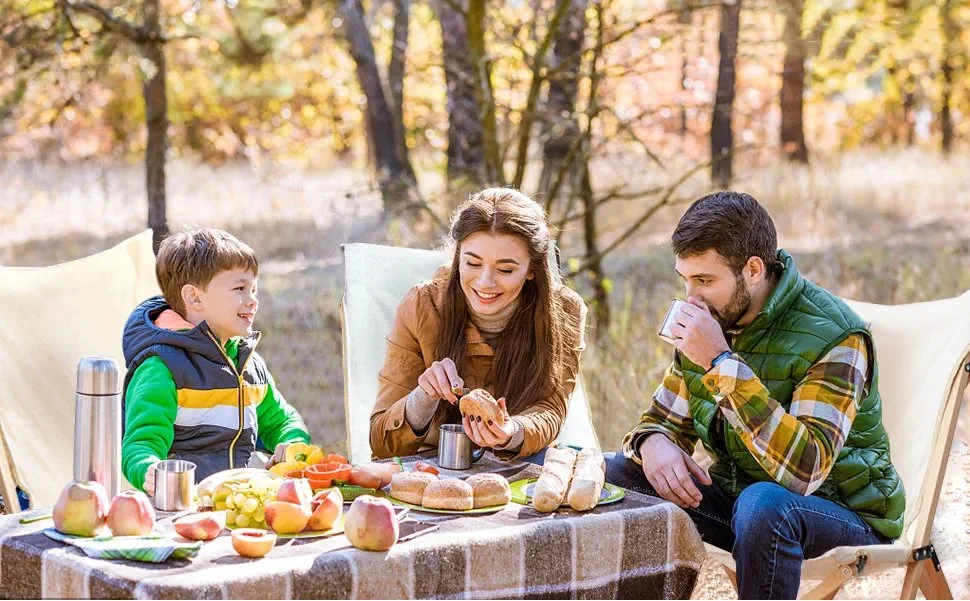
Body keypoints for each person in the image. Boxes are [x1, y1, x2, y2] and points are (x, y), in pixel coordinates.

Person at [607, 191, 904, 599]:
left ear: (753, 269)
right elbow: (662, 420)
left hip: (839, 511)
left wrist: (720, 362)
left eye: (705, 280)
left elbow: (806, 471)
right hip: (740, 503)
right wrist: (653, 443)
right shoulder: (712, 316)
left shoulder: (836, 337)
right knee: (616, 474)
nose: (691, 298)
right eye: (686, 279)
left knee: (764, 504)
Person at [370, 188, 587, 461]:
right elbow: (381, 443)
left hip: (521, 468)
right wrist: (423, 397)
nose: (485, 282)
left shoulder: (564, 310)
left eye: (505, 270)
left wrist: (512, 432)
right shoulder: (421, 306)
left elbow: (551, 408)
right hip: (432, 467)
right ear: (458, 257)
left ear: (532, 268)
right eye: (472, 263)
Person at [121, 228, 311, 495]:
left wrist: (291, 443)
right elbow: (141, 444)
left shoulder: (249, 366)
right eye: (240, 289)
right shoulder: (161, 367)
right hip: (183, 507)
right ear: (195, 297)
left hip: (242, 503)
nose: (253, 300)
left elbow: (282, 420)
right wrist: (149, 469)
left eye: (254, 289)